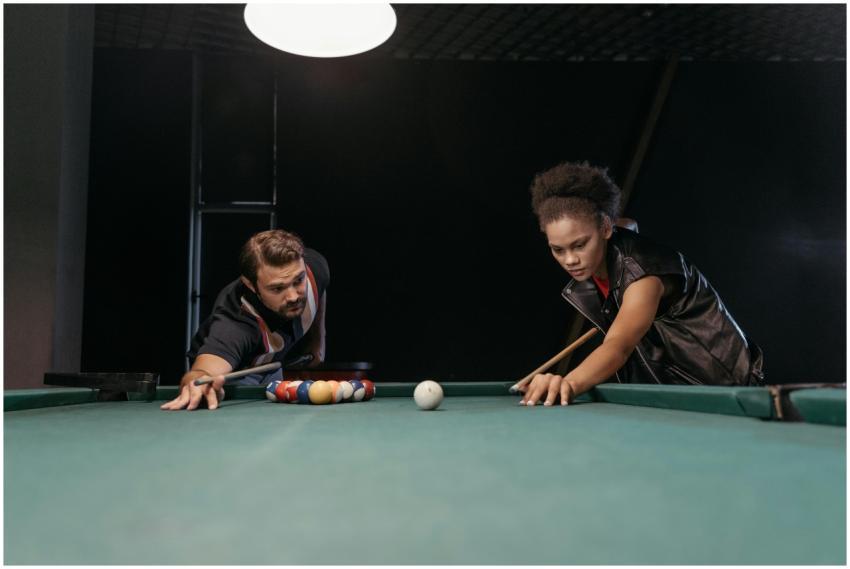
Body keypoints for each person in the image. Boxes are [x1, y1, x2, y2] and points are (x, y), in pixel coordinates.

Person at [517, 161, 764, 407]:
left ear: (605, 228)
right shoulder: (608, 241)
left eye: (580, 245)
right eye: (558, 249)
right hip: (675, 390)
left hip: (725, 389)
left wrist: (568, 384)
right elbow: (628, 224)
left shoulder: (642, 276)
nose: (570, 260)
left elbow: (619, 345)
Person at [162, 229, 329, 411]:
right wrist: (197, 380)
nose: (293, 296)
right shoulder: (236, 323)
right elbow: (204, 372)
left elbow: (319, 290)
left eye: (298, 280)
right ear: (250, 285)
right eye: (277, 288)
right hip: (236, 373)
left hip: (271, 364)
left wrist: (317, 340)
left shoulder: (316, 269)